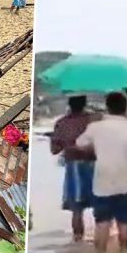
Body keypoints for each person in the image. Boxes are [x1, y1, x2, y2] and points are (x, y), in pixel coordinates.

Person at [75, 92, 127, 252]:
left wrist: (93, 132)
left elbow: (79, 143)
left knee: (102, 225)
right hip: (126, 185)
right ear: (125, 108)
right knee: (124, 227)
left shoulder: (96, 127)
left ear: (107, 107)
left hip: (102, 185)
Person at [50, 95, 97, 242]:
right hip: (95, 167)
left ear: (69, 105)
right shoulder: (94, 121)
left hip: (74, 169)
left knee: (77, 211)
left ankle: (77, 243)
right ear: (85, 104)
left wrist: (62, 141)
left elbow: (54, 150)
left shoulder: (62, 123)